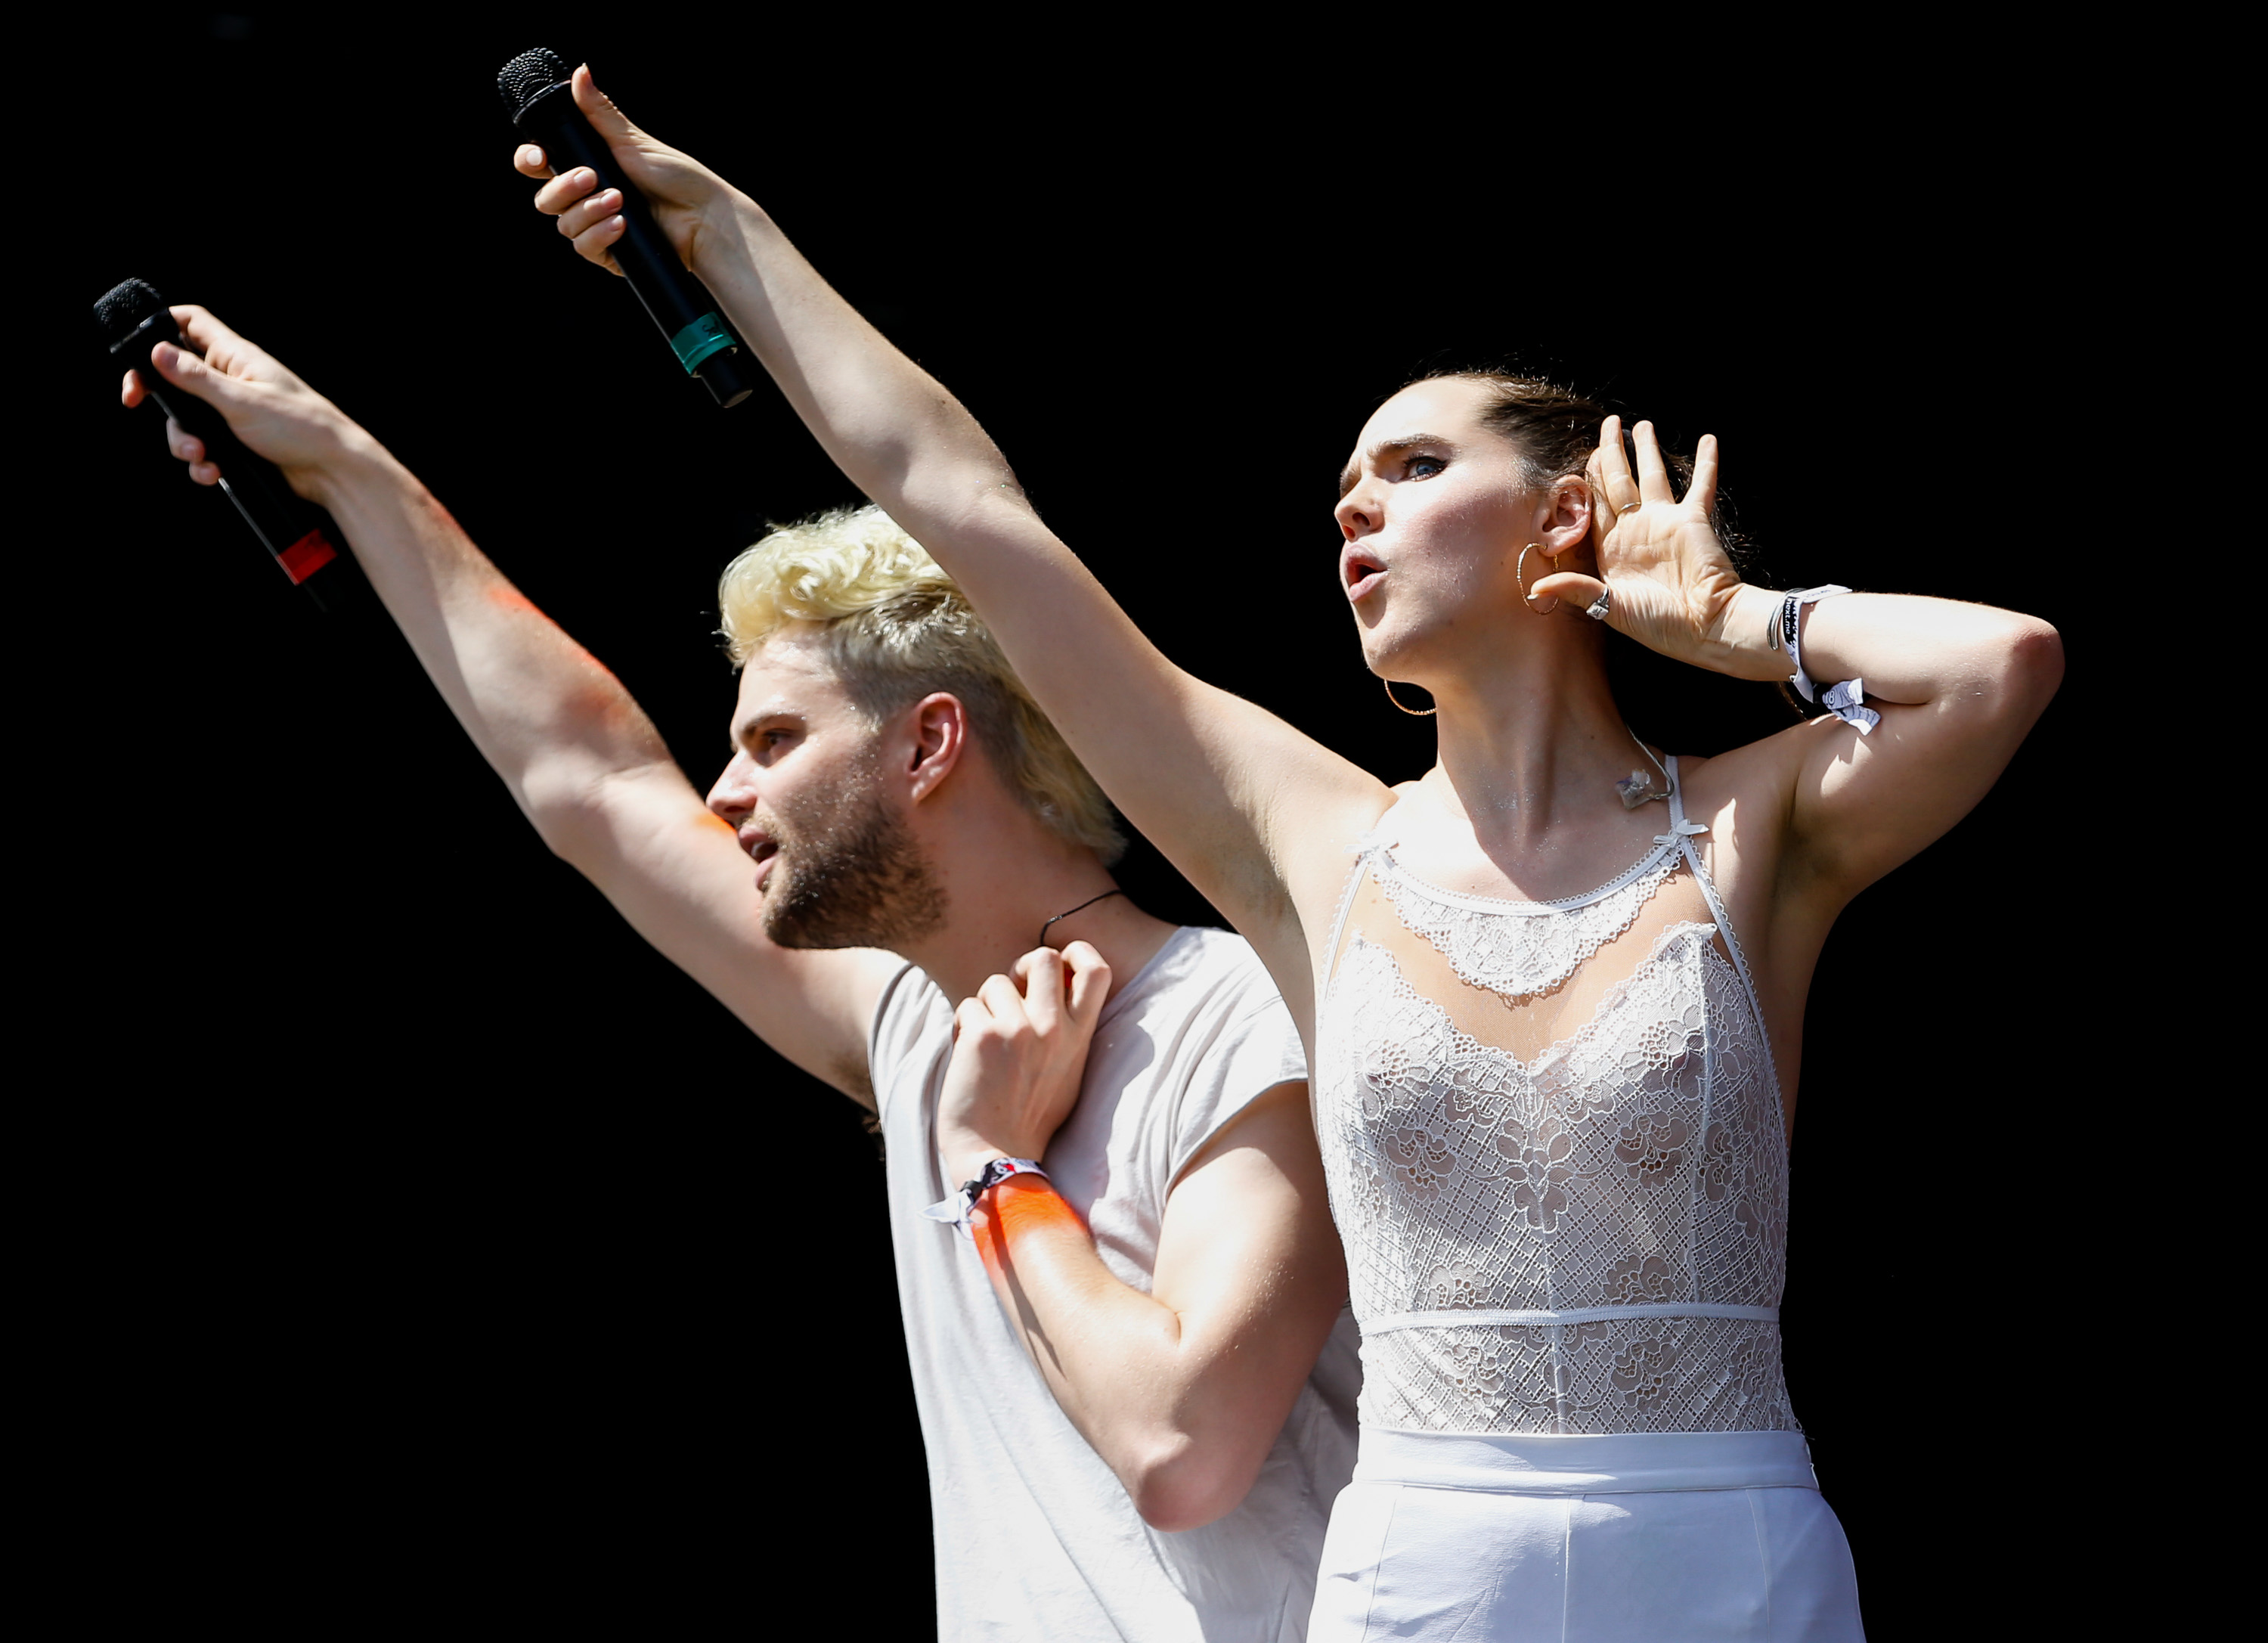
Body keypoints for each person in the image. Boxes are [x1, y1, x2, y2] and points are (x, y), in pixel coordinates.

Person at [516, 67, 2064, 1640]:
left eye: (1414, 468)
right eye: (1344, 492)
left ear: (1566, 516)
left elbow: (2001, 665)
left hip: (1726, 1545)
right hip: (1429, 1563)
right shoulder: (1314, 837)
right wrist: (724, 235)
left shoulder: (1748, 821)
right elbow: (964, 504)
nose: (1355, 512)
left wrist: (1738, 621)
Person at [119, 311, 1359, 1641]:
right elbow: (593, 779)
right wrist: (343, 463)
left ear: (929, 743)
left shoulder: (1240, 1017)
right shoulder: (914, 1023)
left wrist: (993, 1167)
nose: (725, 792)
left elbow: (1182, 1449)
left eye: (772, 740)